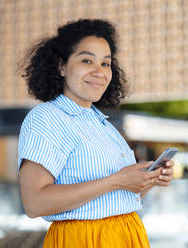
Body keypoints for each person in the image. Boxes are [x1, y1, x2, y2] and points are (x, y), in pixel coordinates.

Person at [18, 19, 174, 248]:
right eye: (87, 60)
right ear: (61, 66)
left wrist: (148, 179)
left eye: (106, 63)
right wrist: (117, 181)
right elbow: (34, 203)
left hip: (126, 234)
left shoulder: (101, 123)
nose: (99, 72)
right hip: (83, 240)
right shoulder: (47, 117)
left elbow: (112, 200)